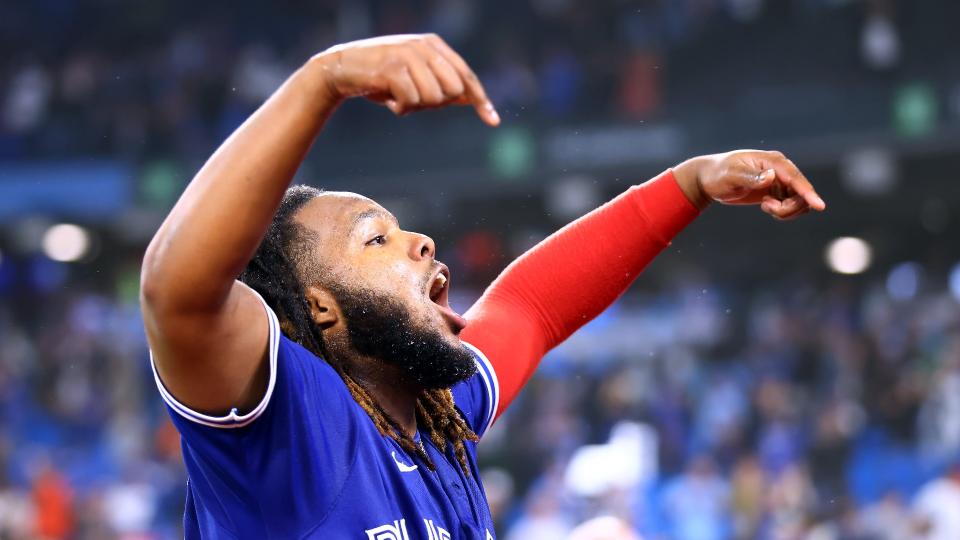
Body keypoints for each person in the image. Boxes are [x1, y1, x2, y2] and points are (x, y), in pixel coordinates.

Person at [139, 34, 826, 538]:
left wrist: (693, 182)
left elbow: (532, 303)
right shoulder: (286, 420)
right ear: (318, 308)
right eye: (374, 239)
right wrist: (322, 81)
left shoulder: (441, 414)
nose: (422, 243)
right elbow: (178, 291)